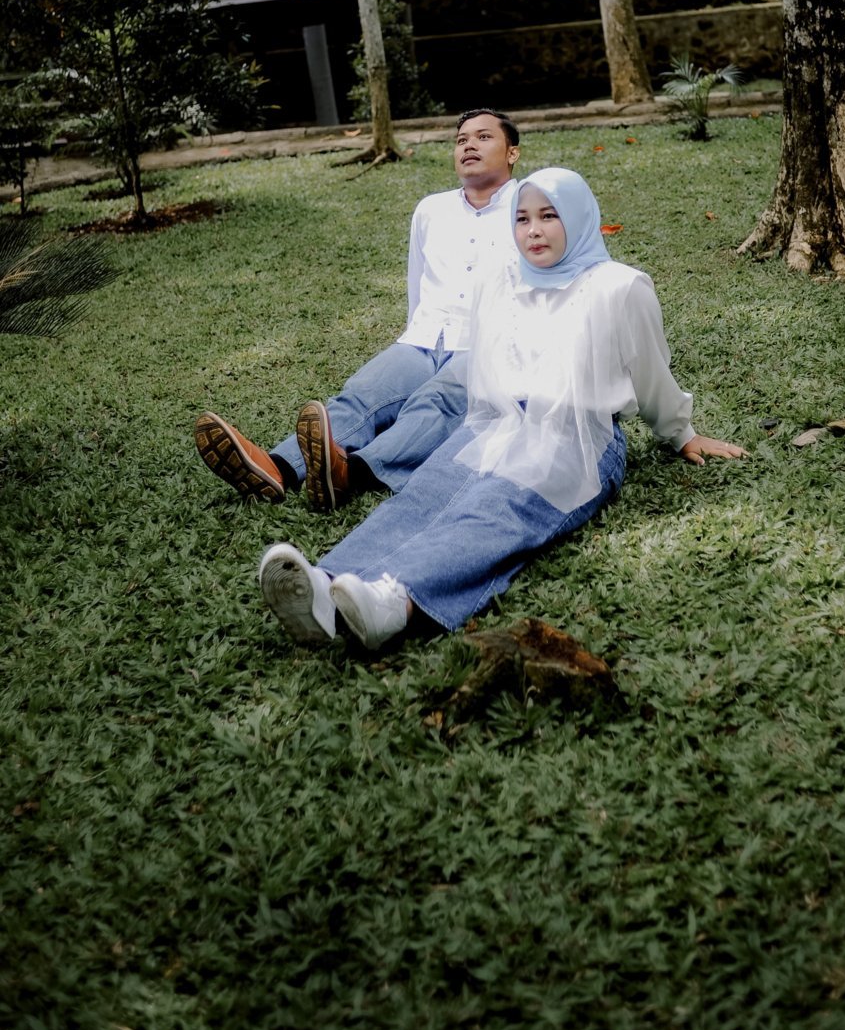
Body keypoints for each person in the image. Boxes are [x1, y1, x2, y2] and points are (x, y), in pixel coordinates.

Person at [256, 167, 746, 650]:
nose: (533, 230)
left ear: (579, 217)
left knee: (495, 510)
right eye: (522, 218)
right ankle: (326, 584)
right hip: (496, 423)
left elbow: (651, 373)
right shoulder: (503, 280)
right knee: (428, 494)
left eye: (549, 216)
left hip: (577, 435)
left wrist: (681, 432)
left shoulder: (620, 287)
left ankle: (396, 601)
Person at [194, 108, 521, 511]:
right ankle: (276, 469)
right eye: (461, 140)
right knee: (362, 395)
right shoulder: (431, 210)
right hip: (424, 337)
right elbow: (417, 283)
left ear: (512, 153)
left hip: (487, 345)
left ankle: (352, 472)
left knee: (434, 403)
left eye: (484, 137)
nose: (469, 145)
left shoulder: (530, 207)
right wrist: (411, 340)